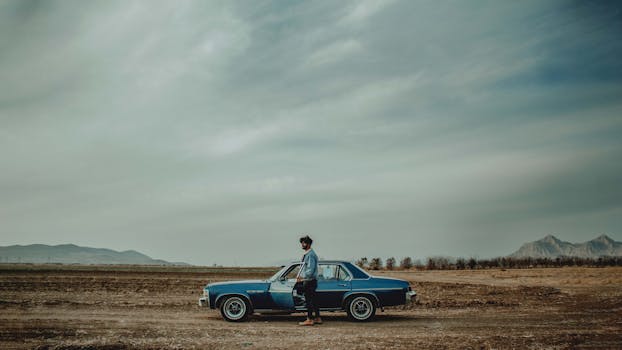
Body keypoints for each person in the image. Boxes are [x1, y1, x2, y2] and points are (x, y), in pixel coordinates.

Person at [296, 235, 321, 326]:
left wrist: (302, 277)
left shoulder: (310, 255)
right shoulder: (309, 254)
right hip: (311, 280)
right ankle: (317, 318)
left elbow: (310, 269)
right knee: (314, 300)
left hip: (309, 280)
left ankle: (310, 319)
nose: (302, 244)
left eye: (304, 243)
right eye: (302, 243)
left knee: (309, 300)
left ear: (309, 244)